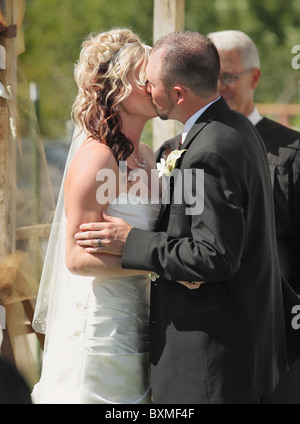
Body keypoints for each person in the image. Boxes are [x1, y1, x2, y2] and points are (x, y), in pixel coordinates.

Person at [74, 31, 300, 404]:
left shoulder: (206, 150)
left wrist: (131, 240)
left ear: (177, 94)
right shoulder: (234, 129)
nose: (148, 90)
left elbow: (213, 255)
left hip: (209, 358)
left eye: (152, 83)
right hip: (223, 347)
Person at [31, 28, 161, 404]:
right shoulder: (98, 156)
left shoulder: (148, 156)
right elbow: (77, 258)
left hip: (142, 320)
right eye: (145, 78)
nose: (156, 86)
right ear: (117, 88)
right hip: (101, 326)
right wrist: (164, 263)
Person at [207, 29, 300, 403]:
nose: (218, 86)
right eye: (210, 77)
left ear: (254, 77)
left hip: (279, 330)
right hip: (214, 334)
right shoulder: (185, 149)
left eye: (227, 76)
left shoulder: (291, 152)